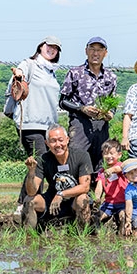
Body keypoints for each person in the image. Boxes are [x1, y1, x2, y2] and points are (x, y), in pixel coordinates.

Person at [5, 35, 62, 219]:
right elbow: (19, 72)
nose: (51, 49)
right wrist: (19, 75)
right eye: (49, 46)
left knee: (45, 164)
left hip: (48, 126)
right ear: (40, 47)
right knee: (39, 162)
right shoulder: (30, 64)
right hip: (30, 123)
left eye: (55, 48)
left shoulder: (51, 72)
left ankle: (37, 201)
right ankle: (24, 203)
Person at [59, 36, 118, 172]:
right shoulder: (75, 73)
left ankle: (94, 192)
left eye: (99, 50)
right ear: (86, 51)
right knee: (75, 159)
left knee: (100, 163)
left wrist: (111, 113)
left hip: (101, 126)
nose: (95, 53)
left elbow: (113, 103)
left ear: (105, 53)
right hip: (80, 123)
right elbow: (63, 102)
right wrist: (82, 109)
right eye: (92, 49)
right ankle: (72, 191)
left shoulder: (111, 77)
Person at [20, 125, 93, 229]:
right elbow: (32, 192)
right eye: (53, 141)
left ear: (67, 140)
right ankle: (28, 236)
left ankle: (83, 235)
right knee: (29, 200)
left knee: (83, 198)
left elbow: (85, 187)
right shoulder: (43, 160)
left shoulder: (81, 156)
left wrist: (61, 194)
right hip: (51, 200)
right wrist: (31, 172)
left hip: (74, 199)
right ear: (47, 143)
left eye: (60, 140)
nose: (58, 145)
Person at [94, 139, 127, 232]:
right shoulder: (101, 171)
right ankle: (98, 235)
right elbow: (99, 186)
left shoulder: (121, 166)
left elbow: (119, 168)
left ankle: (122, 236)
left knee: (123, 216)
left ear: (119, 155)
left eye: (112, 153)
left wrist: (111, 170)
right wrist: (97, 197)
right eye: (106, 153)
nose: (109, 156)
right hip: (108, 204)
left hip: (122, 203)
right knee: (97, 217)